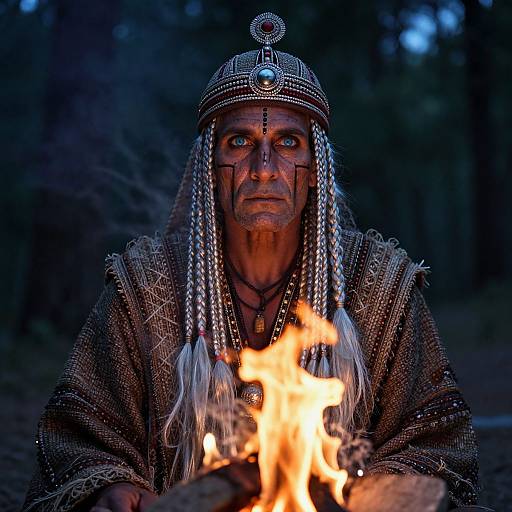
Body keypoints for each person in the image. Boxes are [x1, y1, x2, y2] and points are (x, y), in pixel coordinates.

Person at [23, 12, 479, 512]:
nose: (264, 170)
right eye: (239, 143)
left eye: (288, 143)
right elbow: (80, 429)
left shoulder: (378, 284)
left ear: (313, 171)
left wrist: (380, 493)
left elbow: (436, 437)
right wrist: (110, 487)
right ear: (209, 168)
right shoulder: (145, 284)